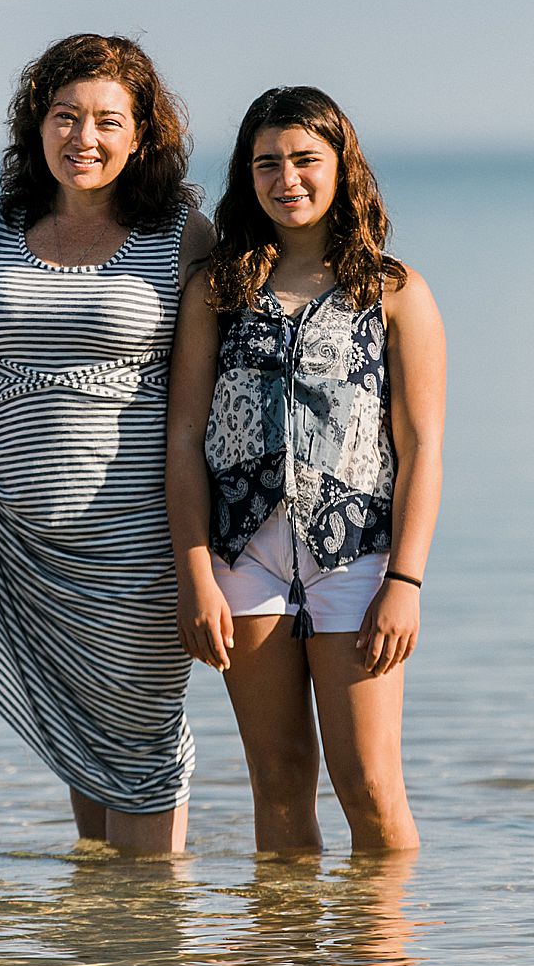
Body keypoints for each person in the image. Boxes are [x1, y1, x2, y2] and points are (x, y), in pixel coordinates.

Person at [167, 86, 445, 854]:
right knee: (280, 780)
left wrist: (407, 583)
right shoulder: (216, 291)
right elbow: (184, 439)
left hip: (358, 559)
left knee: (370, 788)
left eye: (304, 160)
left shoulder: (395, 292)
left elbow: (421, 448)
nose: (286, 178)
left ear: (341, 166)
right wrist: (196, 574)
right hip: (242, 560)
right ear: (246, 177)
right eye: (267, 164)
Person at [0, 34, 214, 855]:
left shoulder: (182, 235)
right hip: (22, 543)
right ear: (36, 126)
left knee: (139, 750)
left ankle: (153, 951)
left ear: (142, 134)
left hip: (140, 541)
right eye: (65, 117)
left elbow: (207, 401)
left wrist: (200, 563)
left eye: (109, 120)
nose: (84, 138)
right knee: (83, 748)